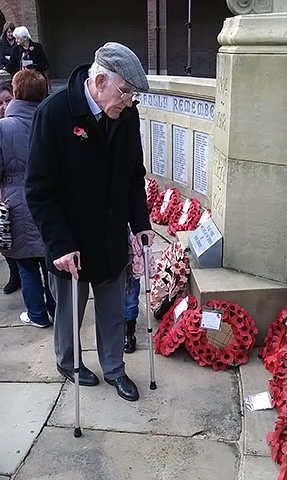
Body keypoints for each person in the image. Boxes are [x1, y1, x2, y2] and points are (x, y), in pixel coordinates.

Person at [25, 42, 154, 402]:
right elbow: (38, 190)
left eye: (132, 96)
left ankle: (114, 368)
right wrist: (60, 244)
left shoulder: (126, 115)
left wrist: (140, 222)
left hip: (111, 236)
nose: (128, 102)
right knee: (70, 309)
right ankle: (68, 361)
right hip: (72, 241)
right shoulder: (54, 113)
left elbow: (133, 175)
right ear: (99, 81)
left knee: (113, 310)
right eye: (125, 92)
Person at [0, 69, 55, 326]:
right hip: (49, 202)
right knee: (52, 265)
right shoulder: (52, 122)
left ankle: (36, 314)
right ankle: (58, 312)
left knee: (26, 265)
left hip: (15, 204)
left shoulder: (3, 128)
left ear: (16, 92)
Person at [0, 80, 21, 294]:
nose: (4, 106)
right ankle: (14, 274)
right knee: (6, 240)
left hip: (20, 194)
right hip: (4, 194)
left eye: (8, 100)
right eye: (0, 103)